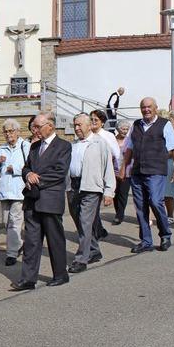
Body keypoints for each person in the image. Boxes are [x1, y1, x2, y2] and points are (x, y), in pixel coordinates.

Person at [11, 112, 71, 291]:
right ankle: (28, 279)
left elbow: (59, 172)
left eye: (37, 127)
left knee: (55, 239)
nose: (34, 130)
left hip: (50, 200)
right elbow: (27, 167)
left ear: (50, 126)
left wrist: (38, 180)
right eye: (33, 127)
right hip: (32, 200)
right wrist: (28, 174)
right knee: (31, 241)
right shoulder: (35, 147)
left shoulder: (64, 146)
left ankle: (60, 274)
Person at [119, 97, 174, 253]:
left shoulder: (164, 124)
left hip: (156, 171)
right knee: (140, 207)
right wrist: (123, 167)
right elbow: (130, 148)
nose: (146, 109)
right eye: (143, 107)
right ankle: (146, 241)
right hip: (137, 172)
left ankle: (165, 234)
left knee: (155, 201)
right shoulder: (136, 125)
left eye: (149, 107)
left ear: (155, 108)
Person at [66, 114, 115, 273]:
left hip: (91, 187)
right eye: (75, 125)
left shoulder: (99, 143)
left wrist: (109, 191)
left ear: (89, 125)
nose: (77, 128)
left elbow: (108, 168)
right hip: (73, 186)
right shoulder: (73, 144)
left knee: (85, 221)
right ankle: (94, 250)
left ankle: (81, 259)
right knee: (79, 222)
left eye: (80, 125)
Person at [0, 118, 30, 266]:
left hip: (19, 191)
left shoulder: (26, 146)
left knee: (15, 222)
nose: (8, 134)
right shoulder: (1, 149)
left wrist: (15, 169)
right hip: (4, 191)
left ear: (18, 132)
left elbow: (31, 167)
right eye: (5, 131)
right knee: (6, 222)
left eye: (11, 131)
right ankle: (19, 245)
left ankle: (11, 254)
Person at [89, 109, 119, 240]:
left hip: (103, 173)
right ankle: (98, 230)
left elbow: (117, 154)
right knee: (92, 207)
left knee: (94, 206)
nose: (93, 122)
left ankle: (96, 232)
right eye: (91, 119)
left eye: (96, 120)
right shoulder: (86, 135)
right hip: (89, 173)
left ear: (102, 122)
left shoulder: (108, 136)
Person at [162, 111, 174, 224]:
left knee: (168, 193)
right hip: (159, 163)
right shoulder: (166, 129)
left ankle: (170, 216)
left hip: (169, 163)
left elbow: (173, 151)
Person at [113, 120, 132, 225]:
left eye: (126, 129)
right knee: (115, 193)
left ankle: (119, 215)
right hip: (113, 171)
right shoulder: (113, 140)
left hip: (126, 171)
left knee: (123, 194)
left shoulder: (129, 141)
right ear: (118, 129)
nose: (125, 131)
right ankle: (118, 212)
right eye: (123, 129)